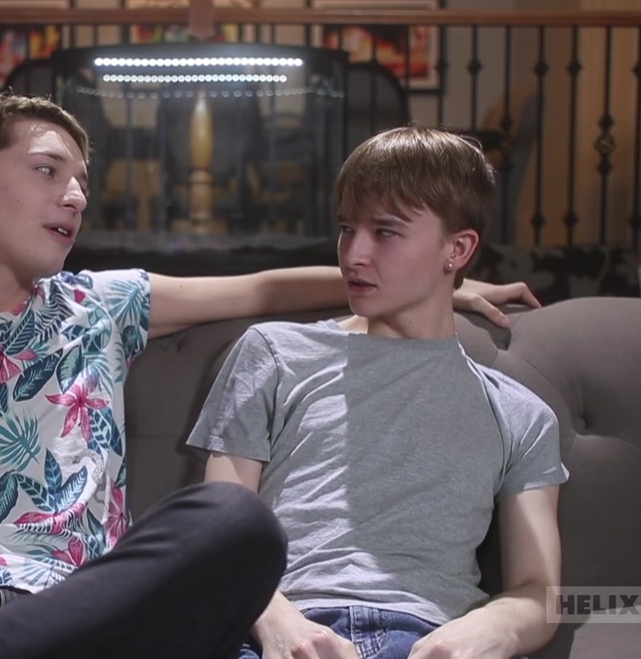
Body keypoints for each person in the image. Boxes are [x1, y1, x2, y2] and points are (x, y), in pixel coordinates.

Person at [0, 95, 539, 659]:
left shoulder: (99, 305)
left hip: (94, 622)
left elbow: (261, 289)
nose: (76, 197)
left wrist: (445, 284)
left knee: (231, 524)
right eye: (48, 171)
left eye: (82, 181)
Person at [188, 126, 568, 659]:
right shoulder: (274, 354)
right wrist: (278, 624)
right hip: (275, 628)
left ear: (457, 249)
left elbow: (538, 590)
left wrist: (486, 631)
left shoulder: (519, 414)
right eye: (347, 228)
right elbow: (216, 534)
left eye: (385, 231)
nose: (353, 254)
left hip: (428, 638)